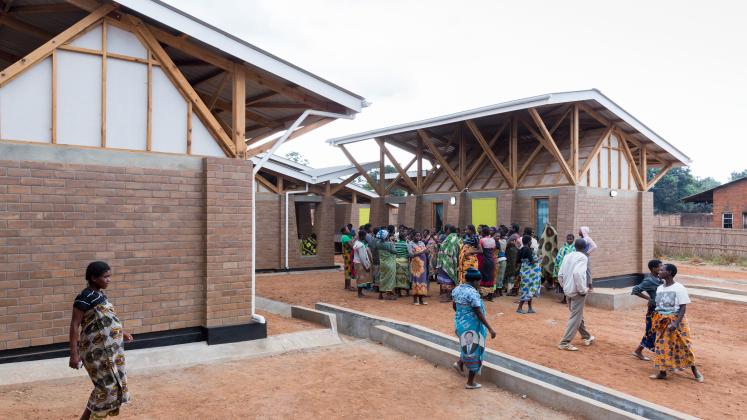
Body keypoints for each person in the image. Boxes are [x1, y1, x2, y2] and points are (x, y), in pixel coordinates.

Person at [69, 261, 133, 419]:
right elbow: (74, 324)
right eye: (106, 277)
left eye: (109, 276)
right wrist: (74, 354)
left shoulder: (100, 295)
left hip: (109, 352)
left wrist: (120, 331)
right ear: (93, 278)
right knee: (106, 387)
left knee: (106, 386)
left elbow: (106, 320)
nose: (109, 280)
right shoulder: (84, 297)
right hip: (95, 352)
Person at [649, 263, 704, 382]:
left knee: (684, 345)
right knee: (661, 347)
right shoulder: (659, 288)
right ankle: (662, 372)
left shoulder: (679, 288)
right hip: (662, 321)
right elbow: (660, 305)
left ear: (669, 272)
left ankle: (695, 370)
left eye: (662, 270)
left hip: (677, 321)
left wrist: (675, 323)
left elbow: (683, 307)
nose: (659, 271)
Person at [451, 268, 497, 389]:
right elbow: (478, 313)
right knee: (475, 351)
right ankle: (470, 382)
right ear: (475, 281)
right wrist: (490, 328)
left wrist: (463, 317)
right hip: (472, 327)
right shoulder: (473, 293)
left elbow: (455, 306)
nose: (479, 284)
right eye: (479, 282)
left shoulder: (457, 289)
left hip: (460, 324)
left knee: (467, 347)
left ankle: (460, 363)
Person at [557, 239, 595, 350]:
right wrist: (583, 290)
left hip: (568, 290)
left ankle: (586, 336)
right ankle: (564, 343)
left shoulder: (568, 256)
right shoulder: (583, 258)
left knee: (577, 315)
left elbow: (560, 274)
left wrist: (565, 286)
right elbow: (578, 274)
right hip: (577, 292)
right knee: (575, 316)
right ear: (585, 248)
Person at [631, 259, 663, 361]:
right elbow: (635, 290)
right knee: (651, 331)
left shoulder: (658, 278)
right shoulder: (649, 280)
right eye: (660, 267)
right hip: (653, 310)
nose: (662, 268)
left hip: (661, 309)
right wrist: (649, 298)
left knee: (655, 331)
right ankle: (639, 351)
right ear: (654, 268)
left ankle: (638, 350)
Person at [516, 235, 542, 314]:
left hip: (525, 271)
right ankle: (519, 308)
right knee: (527, 290)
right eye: (530, 241)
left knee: (528, 289)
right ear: (528, 242)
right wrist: (539, 258)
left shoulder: (521, 250)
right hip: (530, 273)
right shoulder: (527, 249)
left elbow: (518, 261)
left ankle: (530, 308)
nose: (531, 242)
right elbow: (532, 261)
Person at [437, 225, 460, 302]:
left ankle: (448, 296)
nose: (446, 231)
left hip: (448, 261)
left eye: (447, 229)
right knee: (448, 278)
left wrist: (440, 246)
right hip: (449, 260)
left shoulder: (452, 238)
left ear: (449, 230)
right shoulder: (453, 237)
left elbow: (449, 250)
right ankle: (449, 296)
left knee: (448, 278)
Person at [408, 231, 429, 305]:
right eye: (416, 236)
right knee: (416, 281)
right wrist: (421, 252)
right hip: (415, 265)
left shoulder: (422, 243)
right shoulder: (410, 244)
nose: (418, 237)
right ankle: (415, 299)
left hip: (423, 266)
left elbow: (425, 251)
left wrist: (427, 251)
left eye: (419, 236)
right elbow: (410, 254)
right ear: (413, 236)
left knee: (422, 281)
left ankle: (421, 299)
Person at [553, 234, 575, 304]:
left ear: (573, 239)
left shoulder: (575, 249)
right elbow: (558, 258)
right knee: (564, 284)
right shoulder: (562, 248)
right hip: (563, 268)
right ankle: (565, 299)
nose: (569, 240)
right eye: (568, 239)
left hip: (571, 269)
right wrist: (557, 268)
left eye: (571, 239)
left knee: (570, 284)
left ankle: (570, 299)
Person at [376, 229, 397, 300]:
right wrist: (392, 242)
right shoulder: (389, 244)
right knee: (390, 279)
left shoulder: (378, 243)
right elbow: (395, 251)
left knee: (383, 278)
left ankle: (380, 294)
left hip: (382, 263)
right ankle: (389, 295)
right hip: (390, 263)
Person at [538, 224, 559, 289]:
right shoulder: (554, 234)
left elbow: (540, 246)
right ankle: (550, 283)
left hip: (546, 256)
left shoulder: (544, 236)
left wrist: (539, 253)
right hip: (551, 255)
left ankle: (549, 283)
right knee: (550, 269)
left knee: (547, 269)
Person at [478, 226, 496, 300]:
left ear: (483, 233)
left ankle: (483, 294)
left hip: (483, 260)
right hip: (491, 260)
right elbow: (493, 250)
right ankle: (490, 295)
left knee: (483, 276)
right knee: (490, 276)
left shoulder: (481, 240)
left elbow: (480, 250)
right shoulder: (493, 240)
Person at [353, 230, 373, 298]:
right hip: (360, 263)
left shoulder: (357, 243)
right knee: (361, 279)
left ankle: (360, 292)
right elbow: (362, 257)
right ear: (362, 236)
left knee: (359, 278)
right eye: (365, 236)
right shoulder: (361, 245)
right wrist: (366, 266)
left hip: (356, 262)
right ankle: (359, 293)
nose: (365, 237)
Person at [394, 232, 411, 297]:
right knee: (406, 277)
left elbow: (394, 251)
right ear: (404, 237)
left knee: (398, 277)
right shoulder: (406, 244)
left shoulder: (396, 244)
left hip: (397, 261)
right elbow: (410, 253)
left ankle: (398, 293)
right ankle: (407, 292)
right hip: (404, 262)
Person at [340, 226, 356, 291]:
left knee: (347, 269)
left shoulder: (344, 237)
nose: (348, 230)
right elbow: (352, 246)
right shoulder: (345, 237)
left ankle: (347, 286)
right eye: (347, 229)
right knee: (348, 269)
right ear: (344, 231)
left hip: (347, 255)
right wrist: (354, 240)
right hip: (348, 255)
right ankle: (348, 286)